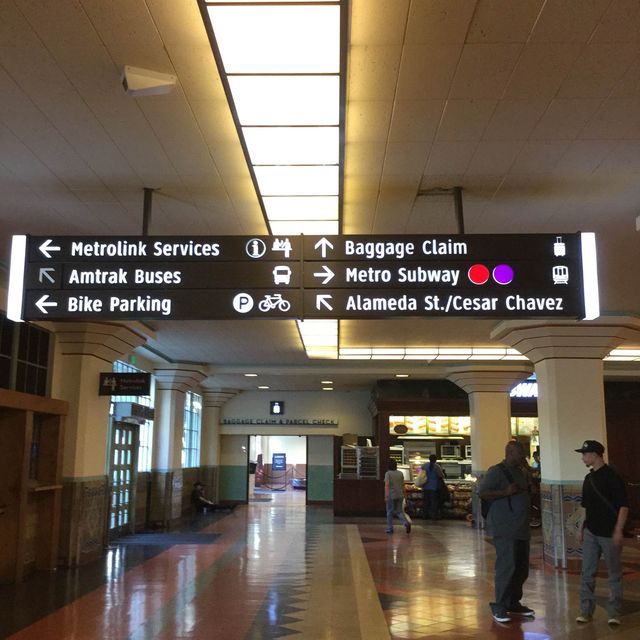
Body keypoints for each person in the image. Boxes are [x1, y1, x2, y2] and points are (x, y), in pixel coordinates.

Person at [478, 441, 534, 624]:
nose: (523, 456)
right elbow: (483, 493)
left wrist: (529, 472)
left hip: (522, 528)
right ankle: (500, 605)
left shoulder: (521, 471)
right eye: (520, 453)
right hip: (505, 528)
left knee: (521, 568)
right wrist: (505, 492)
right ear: (510, 452)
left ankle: (513, 602)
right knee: (507, 567)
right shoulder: (496, 471)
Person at [574, 440, 628, 626]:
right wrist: (581, 528)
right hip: (591, 532)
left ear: (595, 454)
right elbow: (585, 507)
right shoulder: (588, 479)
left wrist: (618, 530)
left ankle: (614, 612)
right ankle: (586, 610)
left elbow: (623, 506)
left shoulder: (613, 477)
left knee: (614, 573)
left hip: (609, 532)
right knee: (587, 572)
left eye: (585, 454)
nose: (583, 458)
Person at [384, 459, 411, 534]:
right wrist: (405, 496)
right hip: (400, 495)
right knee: (399, 511)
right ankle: (406, 523)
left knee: (389, 512)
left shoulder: (388, 473)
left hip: (391, 495)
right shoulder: (400, 473)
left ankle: (390, 528)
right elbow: (403, 485)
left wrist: (386, 496)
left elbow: (387, 485)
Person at [422, 454, 445, 519]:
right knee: (433, 502)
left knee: (426, 501)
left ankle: (425, 515)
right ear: (435, 460)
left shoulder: (425, 465)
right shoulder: (437, 466)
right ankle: (433, 516)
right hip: (434, 487)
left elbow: (421, 472)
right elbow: (441, 476)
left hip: (426, 486)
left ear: (429, 459)